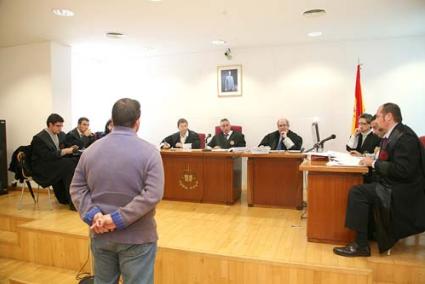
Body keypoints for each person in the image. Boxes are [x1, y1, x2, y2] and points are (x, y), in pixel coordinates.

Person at [70, 98, 164, 284]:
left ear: (111, 121)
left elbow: (77, 188)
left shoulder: (90, 151)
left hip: (100, 233)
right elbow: (152, 194)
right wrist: (116, 219)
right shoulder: (150, 152)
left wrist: (95, 216)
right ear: (137, 122)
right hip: (137, 237)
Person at [334, 103, 425, 257]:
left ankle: (361, 245)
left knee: (358, 192)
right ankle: (370, 232)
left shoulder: (405, 137)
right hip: (395, 184)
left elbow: (403, 171)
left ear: (388, 117)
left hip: (403, 191)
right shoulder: (394, 134)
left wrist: (374, 163)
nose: (375, 120)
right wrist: (371, 160)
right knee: (364, 184)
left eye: (377, 116)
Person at [30, 113, 78, 209]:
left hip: (55, 164)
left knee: (74, 160)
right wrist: (64, 151)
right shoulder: (39, 138)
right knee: (68, 164)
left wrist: (71, 148)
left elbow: (65, 147)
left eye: (61, 126)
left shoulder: (61, 135)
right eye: (58, 126)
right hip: (43, 167)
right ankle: (72, 202)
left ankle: (66, 198)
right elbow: (46, 157)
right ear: (50, 125)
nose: (60, 128)